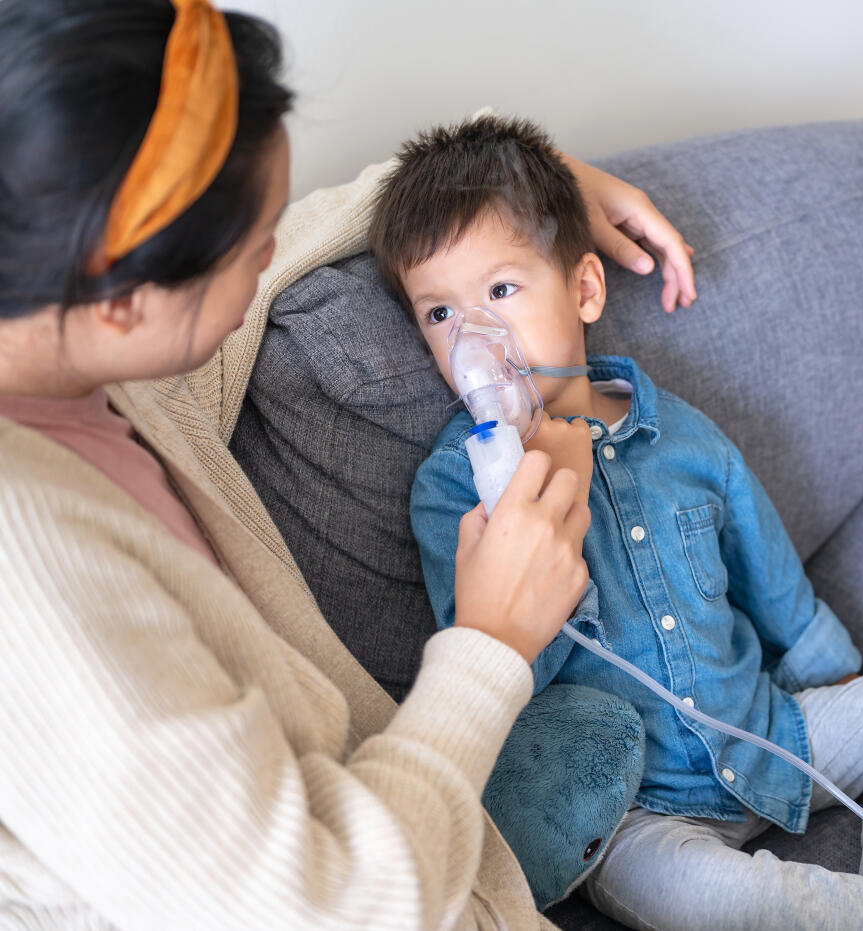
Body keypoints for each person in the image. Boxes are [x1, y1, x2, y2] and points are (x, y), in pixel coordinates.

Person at [0, 1, 697, 927]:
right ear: (125, 291)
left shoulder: (109, 374)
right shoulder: (33, 578)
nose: (270, 258)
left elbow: (303, 239)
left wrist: (534, 190)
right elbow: (327, 907)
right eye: (250, 248)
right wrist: (489, 645)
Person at [384, 115, 863, 931]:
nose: (477, 339)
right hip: (636, 813)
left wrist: (829, 673)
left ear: (586, 289)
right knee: (703, 899)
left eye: (500, 291)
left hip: (765, 731)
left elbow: (766, 566)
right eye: (440, 314)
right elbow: (492, 673)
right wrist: (533, 495)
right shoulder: (453, 489)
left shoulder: (686, 438)